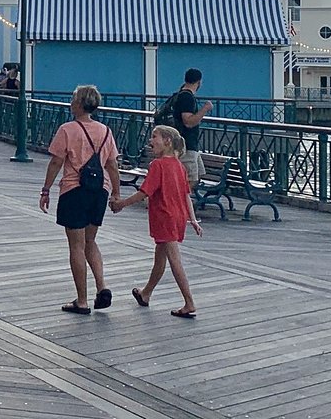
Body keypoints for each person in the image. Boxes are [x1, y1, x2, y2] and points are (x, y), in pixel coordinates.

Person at [39, 84, 122, 315]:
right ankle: (102, 286)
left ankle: (82, 300)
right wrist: (116, 194)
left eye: (73, 98)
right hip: (100, 190)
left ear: (78, 103)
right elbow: (113, 165)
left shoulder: (67, 129)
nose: (70, 102)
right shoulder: (106, 131)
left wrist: (45, 190)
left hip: (74, 190)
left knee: (76, 245)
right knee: (90, 241)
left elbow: (56, 162)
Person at [111, 124, 201, 318]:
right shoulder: (179, 166)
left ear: (167, 141)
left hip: (164, 217)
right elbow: (186, 195)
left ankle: (189, 302)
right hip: (177, 217)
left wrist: (121, 204)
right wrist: (192, 219)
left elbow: (144, 192)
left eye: (155, 137)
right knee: (160, 258)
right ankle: (146, 293)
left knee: (174, 261)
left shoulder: (158, 165)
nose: (150, 141)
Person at [168, 68, 212, 186]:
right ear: (199, 82)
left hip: (188, 143)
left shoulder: (180, 94)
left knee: (199, 173)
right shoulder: (187, 97)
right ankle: (180, 200)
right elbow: (188, 121)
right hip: (186, 143)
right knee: (191, 178)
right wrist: (205, 109)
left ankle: (182, 199)